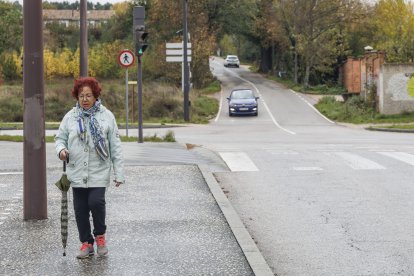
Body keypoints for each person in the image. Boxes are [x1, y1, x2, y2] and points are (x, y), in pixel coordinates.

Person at [55, 77, 125, 259]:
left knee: (96, 202)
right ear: (77, 97)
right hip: (76, 171)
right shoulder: (70, 116)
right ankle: (86, 243)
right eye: (81, 96)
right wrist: (61, 149)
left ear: (95, 96)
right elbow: (60, 138)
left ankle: (100, 236)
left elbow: (115, 146)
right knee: (80, 209)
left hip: (98, 170)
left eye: (88, 95)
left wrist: (119, 174)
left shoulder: (107, 116)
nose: (85, 99)